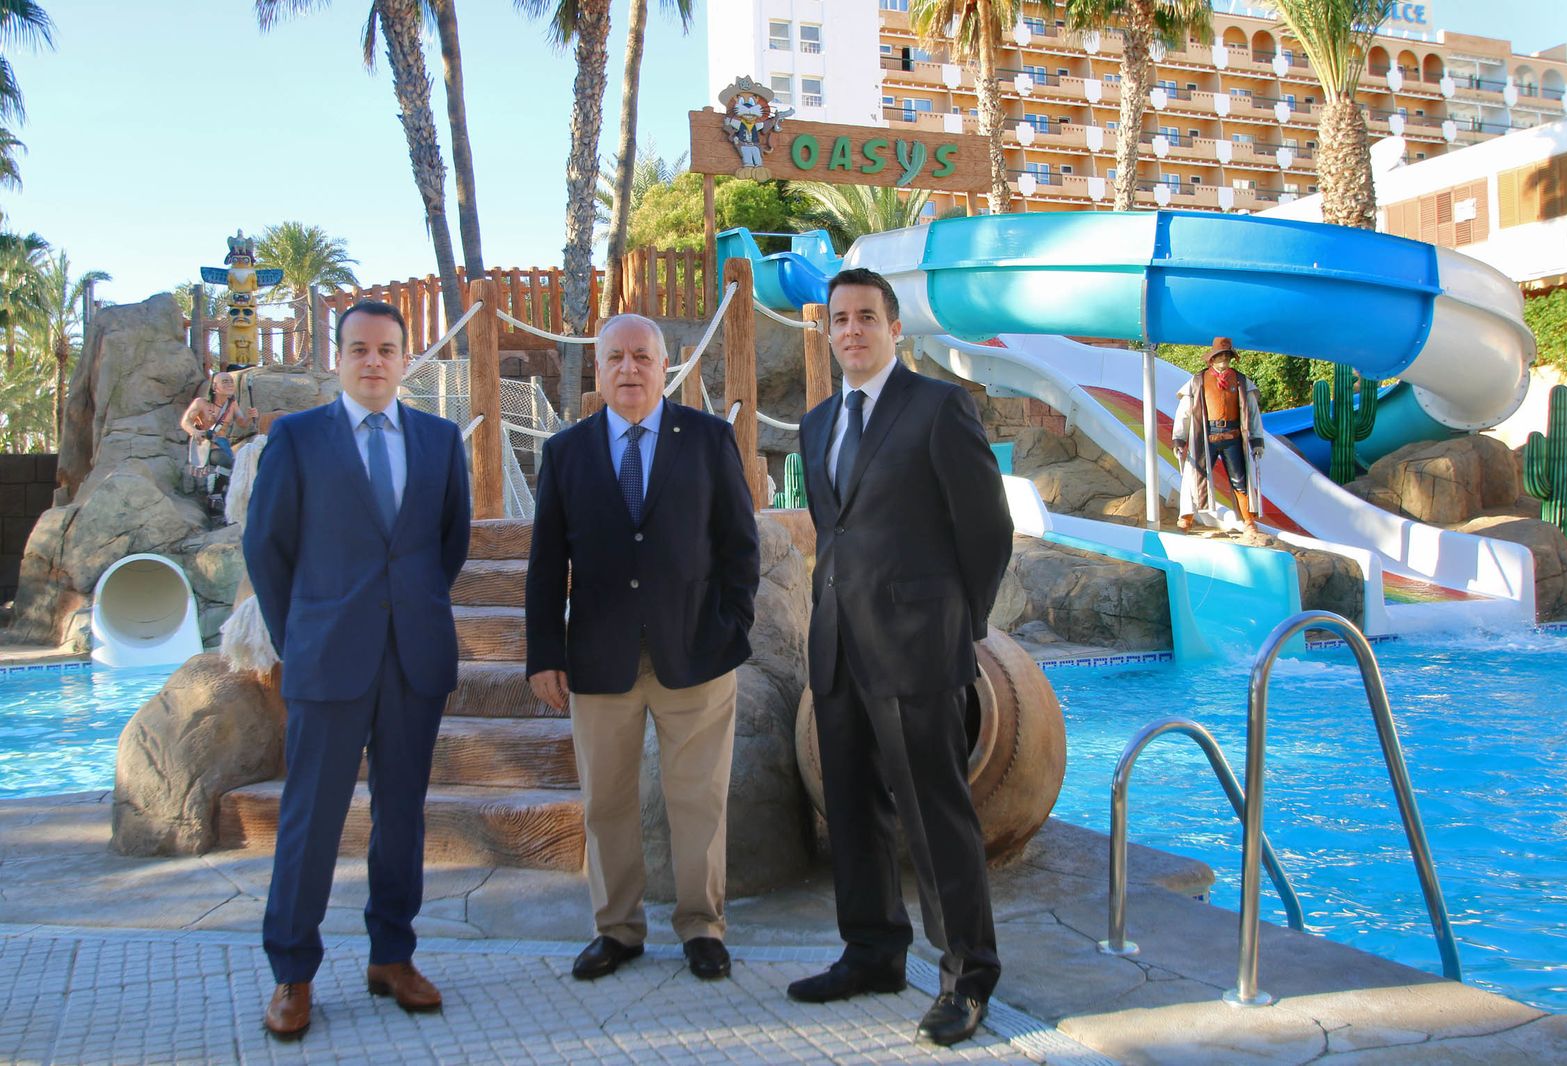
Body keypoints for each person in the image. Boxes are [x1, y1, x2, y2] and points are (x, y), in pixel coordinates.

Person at [788, 268, 1013, 1047]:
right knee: (851, 807)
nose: (852, 330)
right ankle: (873, 951)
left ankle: (967, 977)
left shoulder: (939, 407)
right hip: (839, 647)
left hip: (918, 649)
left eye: (866, 317)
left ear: (894, 329)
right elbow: (835, 535)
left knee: (934, 817)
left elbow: (986, 531)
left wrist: (959, 622)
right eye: (840, 319)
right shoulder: (818, 423)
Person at [243, 299, 470, 1040]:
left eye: (387, 349)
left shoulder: (439, 441)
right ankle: (293, 973)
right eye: (359, 348)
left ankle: (392, 956)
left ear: (407, 360)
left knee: (401, 815)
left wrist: (410, 610)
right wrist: (299, 634)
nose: (373, 360)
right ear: (336, 358)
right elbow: (265, 548)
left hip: (413, 659)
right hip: (327, 659)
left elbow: (449, 545)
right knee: (312, 820)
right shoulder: (298, 439)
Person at [525, 313, 760, 984]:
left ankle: (703, 929)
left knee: (699, 800)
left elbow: (740, 548)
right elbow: (546, 564)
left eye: (642, 357)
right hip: (599, 658)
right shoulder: (565, 453)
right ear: (598, 370)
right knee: (605, 802)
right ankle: (618, 930)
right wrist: (545, 651)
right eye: (616, 358)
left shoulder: (710, 440)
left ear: (666, 367)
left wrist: (732, 625)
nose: (629, 368)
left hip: (698, 655)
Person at [1173, 337, 1264, 533]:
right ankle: (1186, 517)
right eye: (1220, 355)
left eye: (1227, 355)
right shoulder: (1198, 381)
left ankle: (1249, 521)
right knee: (1193, 474)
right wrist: (1179, 439)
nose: (1223, 359)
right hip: (1206, 436)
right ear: (1211, 359)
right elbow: (1184, 412)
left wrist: (1257, 440)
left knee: (1240, 479)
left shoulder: (1241, 381)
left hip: (1233, 437)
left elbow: (1253, 411)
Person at [181, 370, 258, 470]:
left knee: (233, 468)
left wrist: (250, 417)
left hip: (223, 444)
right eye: (225, 381)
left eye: (231, 381)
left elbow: (242, 423)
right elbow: (185, 422)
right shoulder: (200, 403)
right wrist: (196, 432)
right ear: (214, 386)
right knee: (228, 464)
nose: (230, 384)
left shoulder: (232, 404)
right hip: (206, 445)